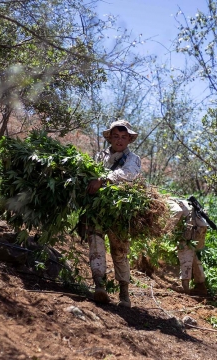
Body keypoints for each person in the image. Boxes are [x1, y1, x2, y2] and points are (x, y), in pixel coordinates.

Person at [86, 119, 142, 308]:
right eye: (116, 136)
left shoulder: (133, 159)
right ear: (110, 138)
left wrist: (102, 180)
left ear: (129, 139)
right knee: (95, 243)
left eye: (123, 137)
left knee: (119, 250)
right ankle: (99, 285)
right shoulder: (99, 156)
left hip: (119, 211)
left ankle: (124, 293)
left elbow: (128, 175)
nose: (119, 140)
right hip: (97, 209)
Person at [167, 198, 209, 296]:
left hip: (190, 231)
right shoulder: (184, 202)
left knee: (185, 255)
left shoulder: (168, 201)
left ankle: (185, 287)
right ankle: (200, 285)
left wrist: (167, 229)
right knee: (196, 257)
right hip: (201, 229)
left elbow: (177, 211)